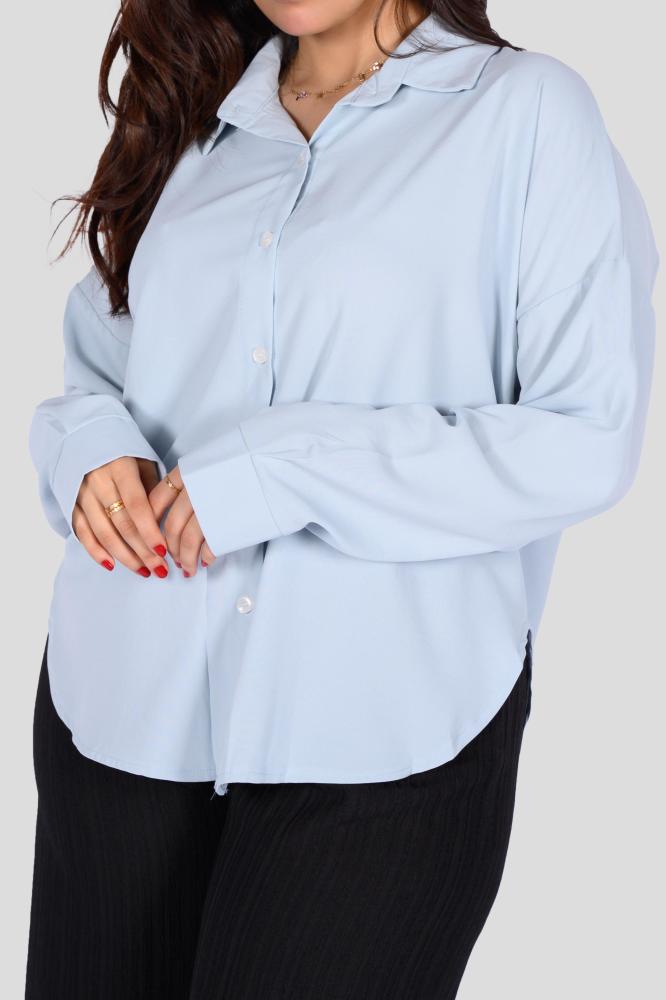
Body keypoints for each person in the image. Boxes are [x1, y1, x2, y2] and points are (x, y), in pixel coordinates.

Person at [25, 1, 658, 997]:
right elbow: (102, 366)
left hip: (383, 732)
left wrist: (286, 468)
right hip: (125, 709)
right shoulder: (195, 114)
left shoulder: (527, 112)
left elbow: (584, 439)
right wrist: (91, 453)